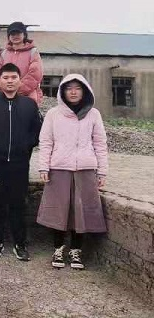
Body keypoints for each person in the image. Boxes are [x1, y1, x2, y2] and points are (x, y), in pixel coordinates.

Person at [37, 74, 108, 270]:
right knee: (58, 211)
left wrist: (102, 171)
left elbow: (100, 143)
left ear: (85, 91)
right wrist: (44, 166)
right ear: (63, 91)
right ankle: (58, 248)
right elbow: (46, 141)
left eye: (78, 88)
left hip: (85, 169)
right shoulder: (53, 114)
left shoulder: (93, 114)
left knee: (81, 212)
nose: (73, 92)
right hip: (59, 168)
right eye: (69, 88)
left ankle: (76, 251)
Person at [0, 63, 42, 261]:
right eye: (6, 78)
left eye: (14, 77)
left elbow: (36, 133)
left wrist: (24, 146)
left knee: (18, 204)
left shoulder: (29, 105)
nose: (10, 81)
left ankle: (20, 244)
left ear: (20, 80)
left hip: (19, 164)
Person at [0, 21, 44, 105]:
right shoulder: (5, 53)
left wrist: (17, 88)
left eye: (18, 33)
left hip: (28, 96)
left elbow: (35, 74)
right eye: (12, 34)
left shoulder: (32, 52)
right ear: (8, 36)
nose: (15, 36)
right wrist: (5, 88)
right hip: (6, 95)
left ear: (24, 35)